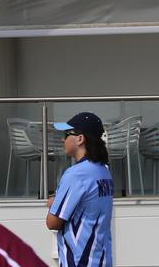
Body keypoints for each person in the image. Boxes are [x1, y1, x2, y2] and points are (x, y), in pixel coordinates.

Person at [46, 112, 114, 267]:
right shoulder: (104, 171)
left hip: (79, 261)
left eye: (66, 134)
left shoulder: (76, 174)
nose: (63, 139)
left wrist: (54, 203)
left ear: (80, 139)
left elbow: (52, 222)